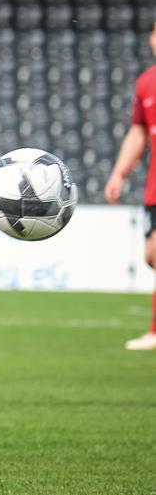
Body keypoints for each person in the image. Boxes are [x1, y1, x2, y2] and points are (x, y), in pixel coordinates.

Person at [104, 21, 156, 351]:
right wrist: (119, 173)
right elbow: (139, 131)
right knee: (152, 256)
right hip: (155, 188)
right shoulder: (146, 83)